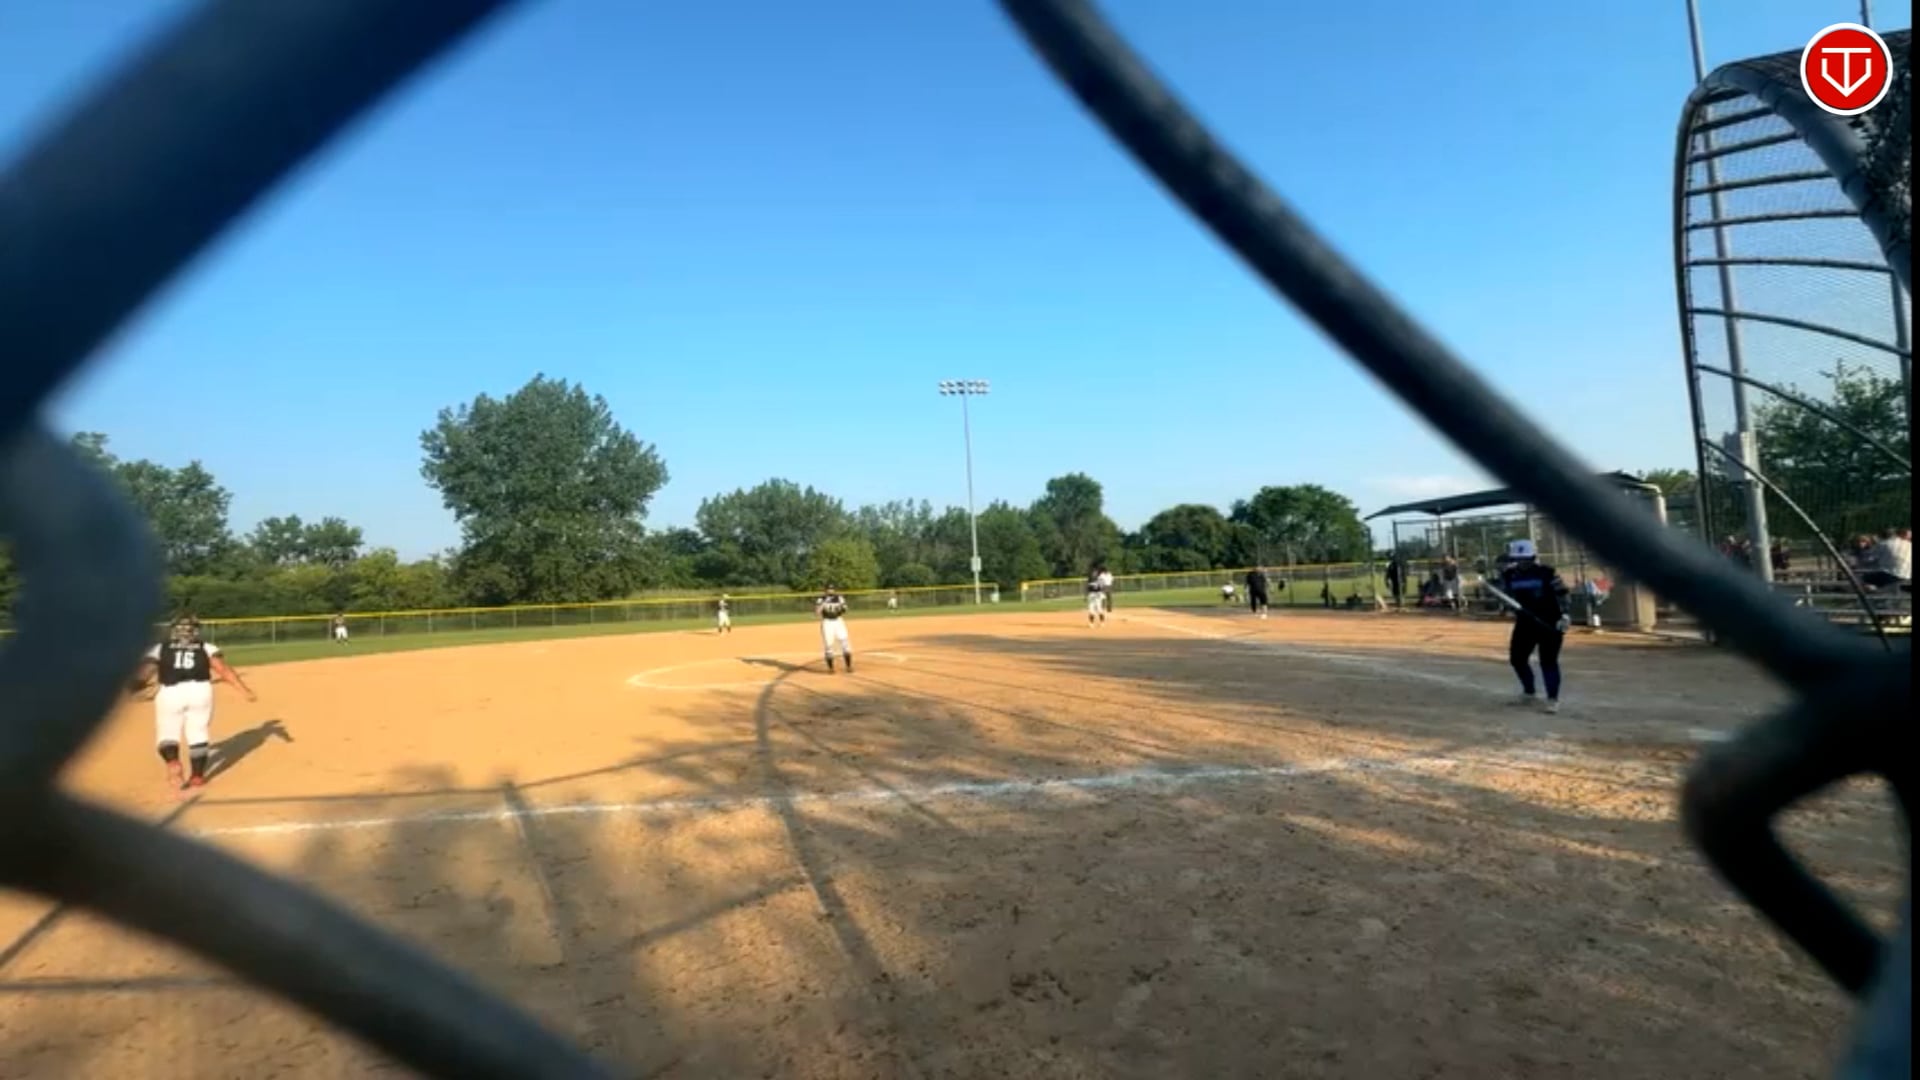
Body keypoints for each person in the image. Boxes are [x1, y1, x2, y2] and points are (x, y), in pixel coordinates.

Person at [132, 614, 256, 791]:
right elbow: (223, 670)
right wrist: (244, 690)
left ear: (174, 629)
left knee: (167, 732)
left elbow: (146, 673)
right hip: (200, 691)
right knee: (198, 732)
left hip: (170, 692)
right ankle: (197, 776)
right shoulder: (206, 647)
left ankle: (173, 762)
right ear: (195, 630)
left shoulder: (160, 648)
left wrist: (133, 687)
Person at [1498, 540, 1571, 714]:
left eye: (1525, 559)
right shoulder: (1510, 575)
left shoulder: (1547, 573)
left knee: (1548, 661)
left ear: (1532, 557)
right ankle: (1529, 692)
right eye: (1518, 559)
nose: (1522, 562)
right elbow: (1506, 594)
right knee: (1517, 659)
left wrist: (1565, 615)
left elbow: (1563, 594)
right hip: (1525, 623)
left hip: (1549, 622)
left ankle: (1552, 699)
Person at [815, 584, 853, 672]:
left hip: (838, 621)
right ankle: (831, 668)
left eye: (832, 589)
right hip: (827, 622)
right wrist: (823, 604)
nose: (830, 590)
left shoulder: (839, 598)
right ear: (825, 590)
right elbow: (817, 612)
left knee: (845, 643)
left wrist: (842, 607)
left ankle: (849, 666)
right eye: (828, 589)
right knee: (828, 645)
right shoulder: (821, 599)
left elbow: (845, 609)